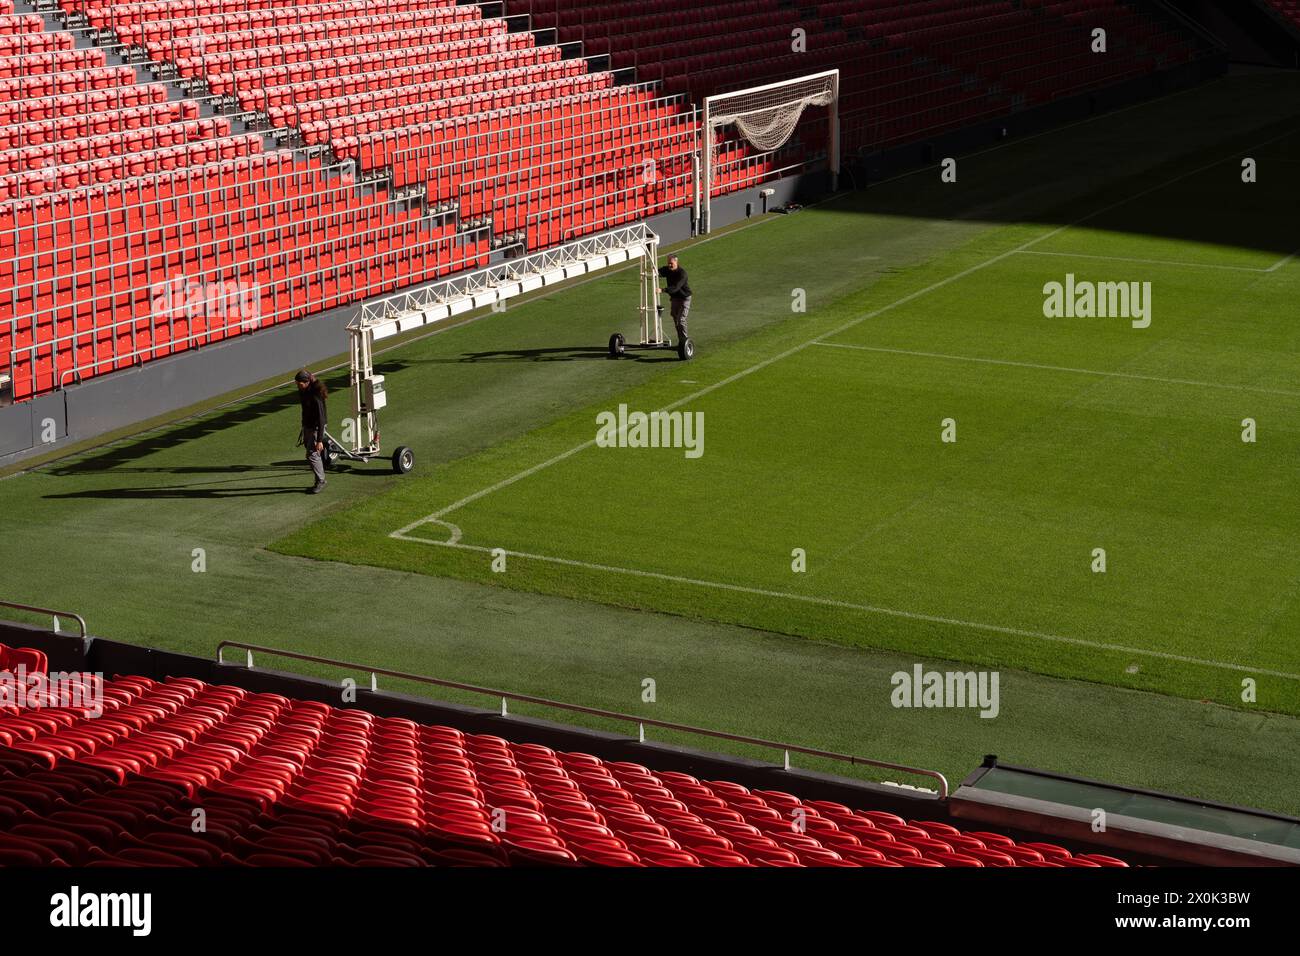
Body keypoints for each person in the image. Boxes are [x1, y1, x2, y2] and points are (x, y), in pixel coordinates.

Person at [295, 369, 328, 494]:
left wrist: (319, 440)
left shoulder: (316, 394)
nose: (298, 386)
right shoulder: (303, 391)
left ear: (307, 382)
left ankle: (321, 481)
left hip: (317, 427)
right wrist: (303, 426)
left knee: (312, 454)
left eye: (300, 384)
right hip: (308, 427)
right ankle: (318, 480)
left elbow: (321, 418)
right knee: (312, 455)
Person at [657, 253, 692, 345]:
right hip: (675, 298)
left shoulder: (682, 274)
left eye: (671, 263)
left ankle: (685, 341)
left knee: (681, 320)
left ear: (676, 262)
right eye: (668, 263)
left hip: (684, 298)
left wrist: (663, 290)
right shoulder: (667, 269)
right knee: (675, 318)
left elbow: (676, 287)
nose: (669, 265)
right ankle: (681, 340)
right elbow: (658, 271)